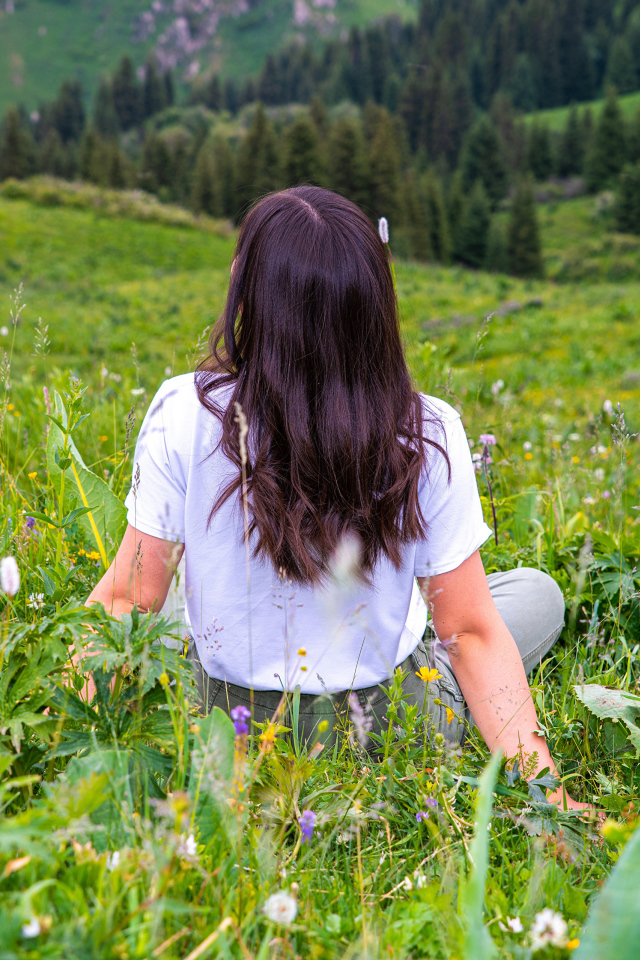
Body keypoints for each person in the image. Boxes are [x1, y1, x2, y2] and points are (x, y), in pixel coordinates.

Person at [87, 186, 587, 811]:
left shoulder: (185, 412)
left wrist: (67, 739)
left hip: (225, 727)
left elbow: (126, 601)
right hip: (379, 724)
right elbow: (469, 634)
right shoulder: (427, 430)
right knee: (535, 594)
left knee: (156, 611)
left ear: (249, 295)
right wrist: (550, 800)